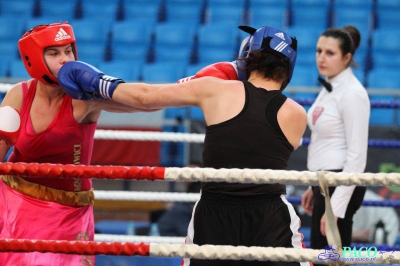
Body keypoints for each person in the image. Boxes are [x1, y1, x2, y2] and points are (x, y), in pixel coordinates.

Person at [58, 25, 312, 266]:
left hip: (213, 215)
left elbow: (144, 98)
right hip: (271, 218)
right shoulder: (297, 113)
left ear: (247, 57)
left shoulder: (216, 90)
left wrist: (95, 82)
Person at [0, 22, 157, 265]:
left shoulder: (84, 99)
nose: (65, 60)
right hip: (15, 202)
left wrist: (191, 91)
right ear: (33, 58)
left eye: (68, 51)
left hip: (68, 211)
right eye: (53, 53)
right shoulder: (19, 95)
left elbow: (143, 101)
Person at [300, 25, 370, 258]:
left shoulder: (352, 93)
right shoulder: (331, 87)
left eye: (330, 53)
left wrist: (336, 207)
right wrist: (313, 185)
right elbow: (322, 139)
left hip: (340, 183)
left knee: (331, 259)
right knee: (323, 256)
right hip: (325, 182)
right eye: (319, 51)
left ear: (347, 57)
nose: (321, 58)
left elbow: (357, 156)